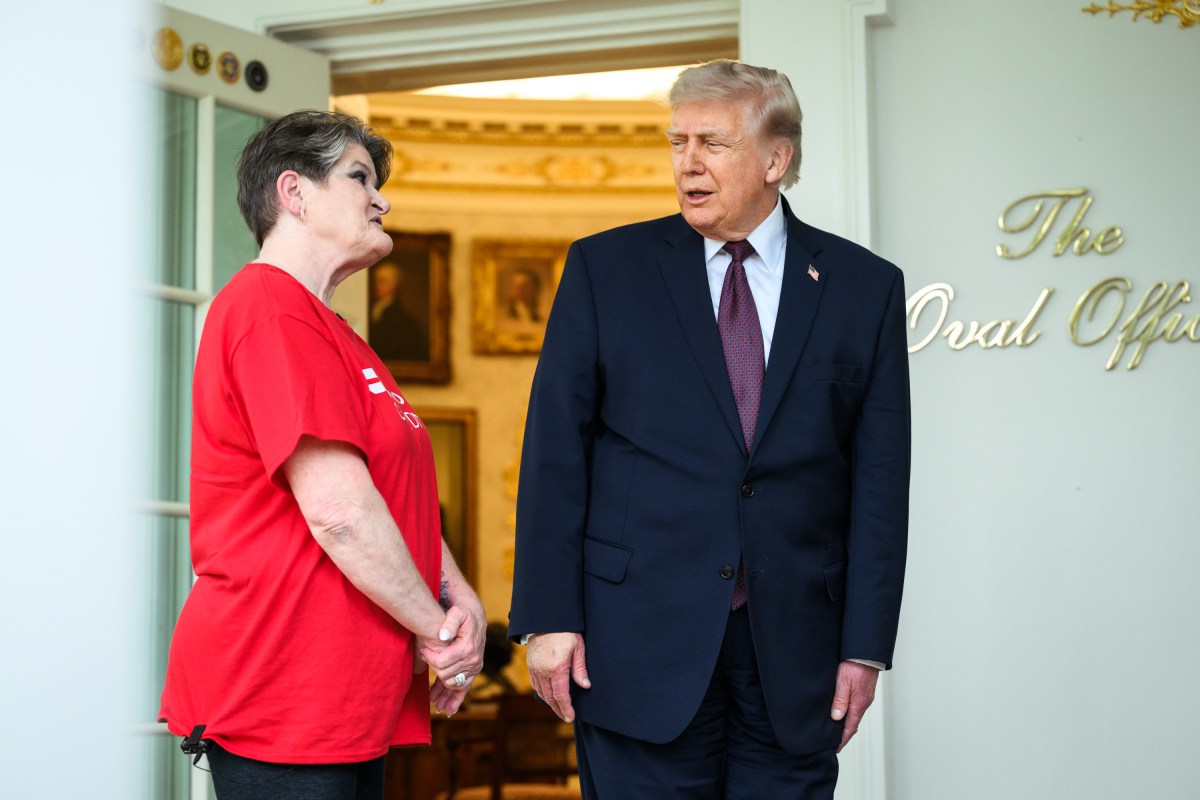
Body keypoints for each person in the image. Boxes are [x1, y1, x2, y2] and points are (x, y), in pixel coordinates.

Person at [509, 60, 910, 799]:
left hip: (796, 653)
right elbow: (554, 454)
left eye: (712, 144)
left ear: (775, 159)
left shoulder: (865, 287)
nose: (687, 163)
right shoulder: (606, 268)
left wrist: (866, 648)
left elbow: (880, 482)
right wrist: (546, 618)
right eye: (677, 141)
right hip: (633, 642)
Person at [159, 110, 485, 800]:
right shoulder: (268, 309)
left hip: (342, 690)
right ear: (293, 193)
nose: (381, 199)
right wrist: (439, 631)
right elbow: (338, 511)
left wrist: (458, 599)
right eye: (359, 177)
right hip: (282, 685)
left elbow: (387, 495)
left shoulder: (336, 332)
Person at [369, 261, 430, 362]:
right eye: (376, 281)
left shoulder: (404, 321)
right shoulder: (368, 309)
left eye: (383, 281)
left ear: (394, 285)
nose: (377, 285)